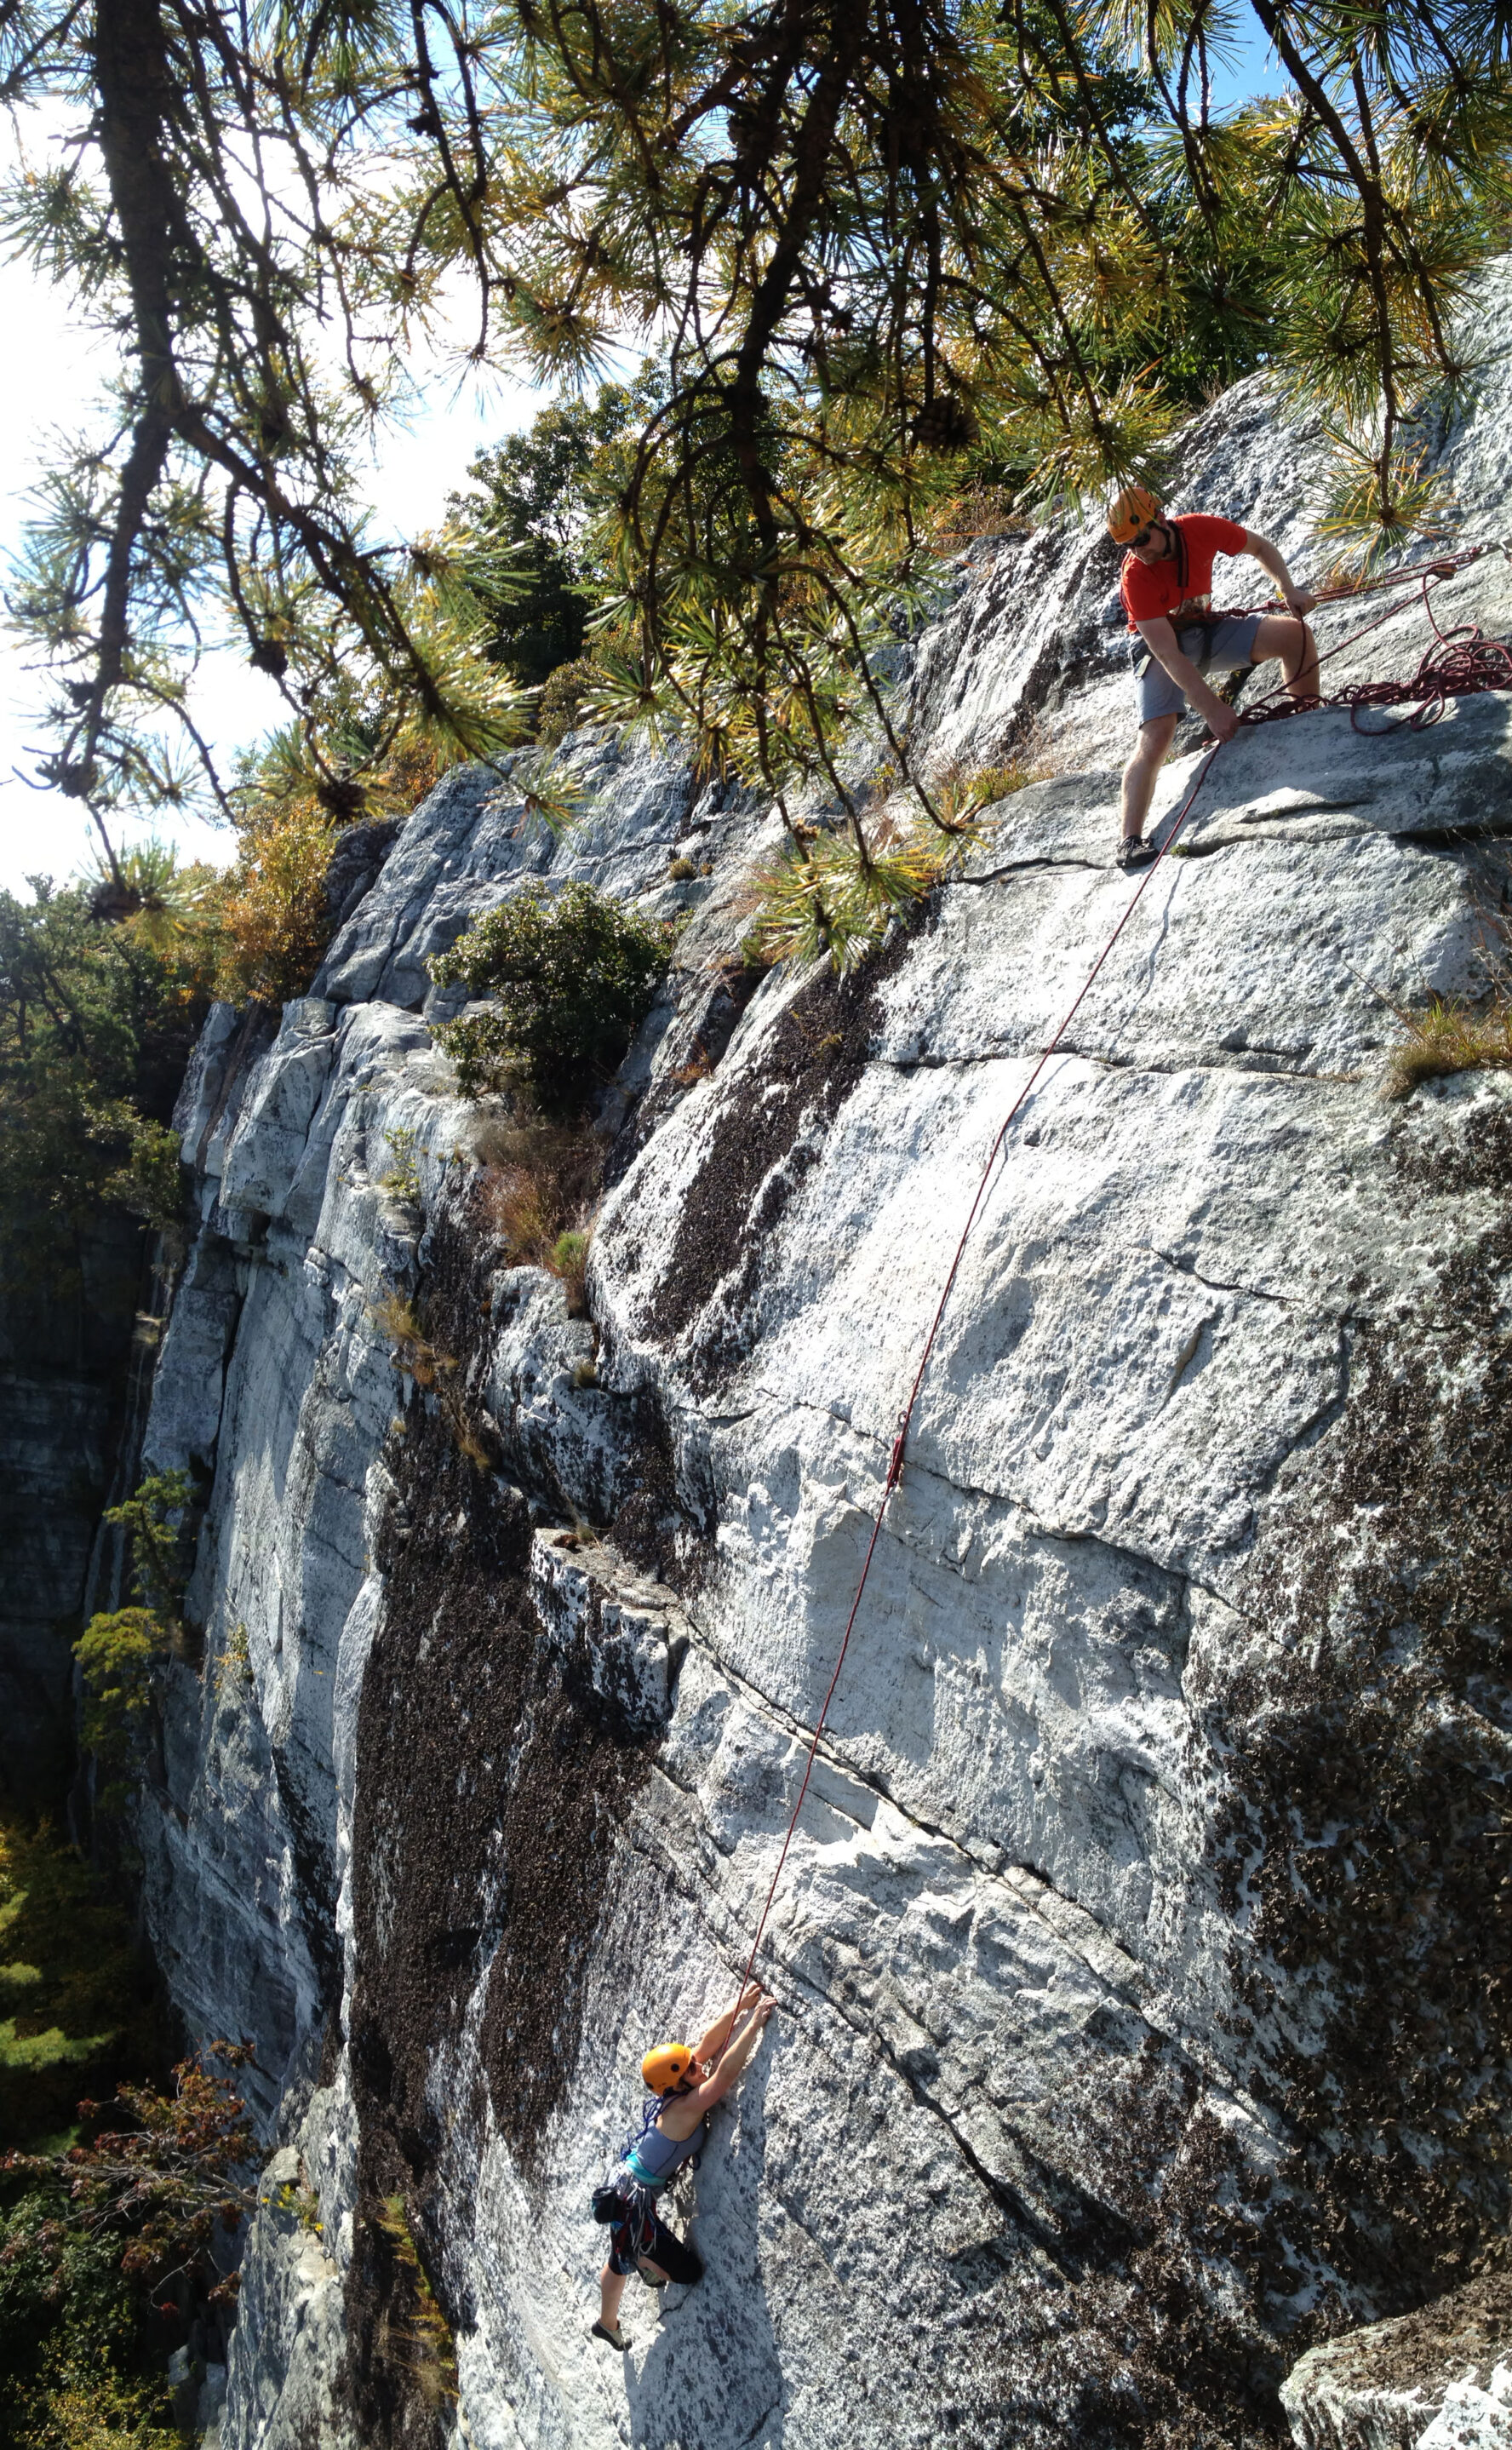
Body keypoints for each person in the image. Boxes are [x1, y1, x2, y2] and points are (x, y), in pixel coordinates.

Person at [1108, 484, 1320, 870]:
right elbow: (1168, 652)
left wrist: (1288, 589)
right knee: (1157, 735)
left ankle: (1305, 722)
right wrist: (1212, 709)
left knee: (1297, 635)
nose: (1139, 550)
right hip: (1159, 649)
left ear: (1161, 520)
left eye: (1141, 538)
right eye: (1129, 545)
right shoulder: (1136, 576)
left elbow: (1261, 548)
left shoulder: (1200, 529)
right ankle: (1129, 840)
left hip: (1204, 631)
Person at [591, 1982, 776, 2352]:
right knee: (680, 2271)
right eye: (691, 2069)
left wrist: (740, 2005)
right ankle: (607, 2323)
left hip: (630, 2184)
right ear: (676, 2082)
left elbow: (707, 2044)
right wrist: (754, 2025)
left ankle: (638, 2264)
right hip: (632, 2201)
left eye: (692, 2064)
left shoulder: (676, 2083)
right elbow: (723, 2076)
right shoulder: (687, 2106)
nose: (698, 2066)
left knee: (624, 2248)